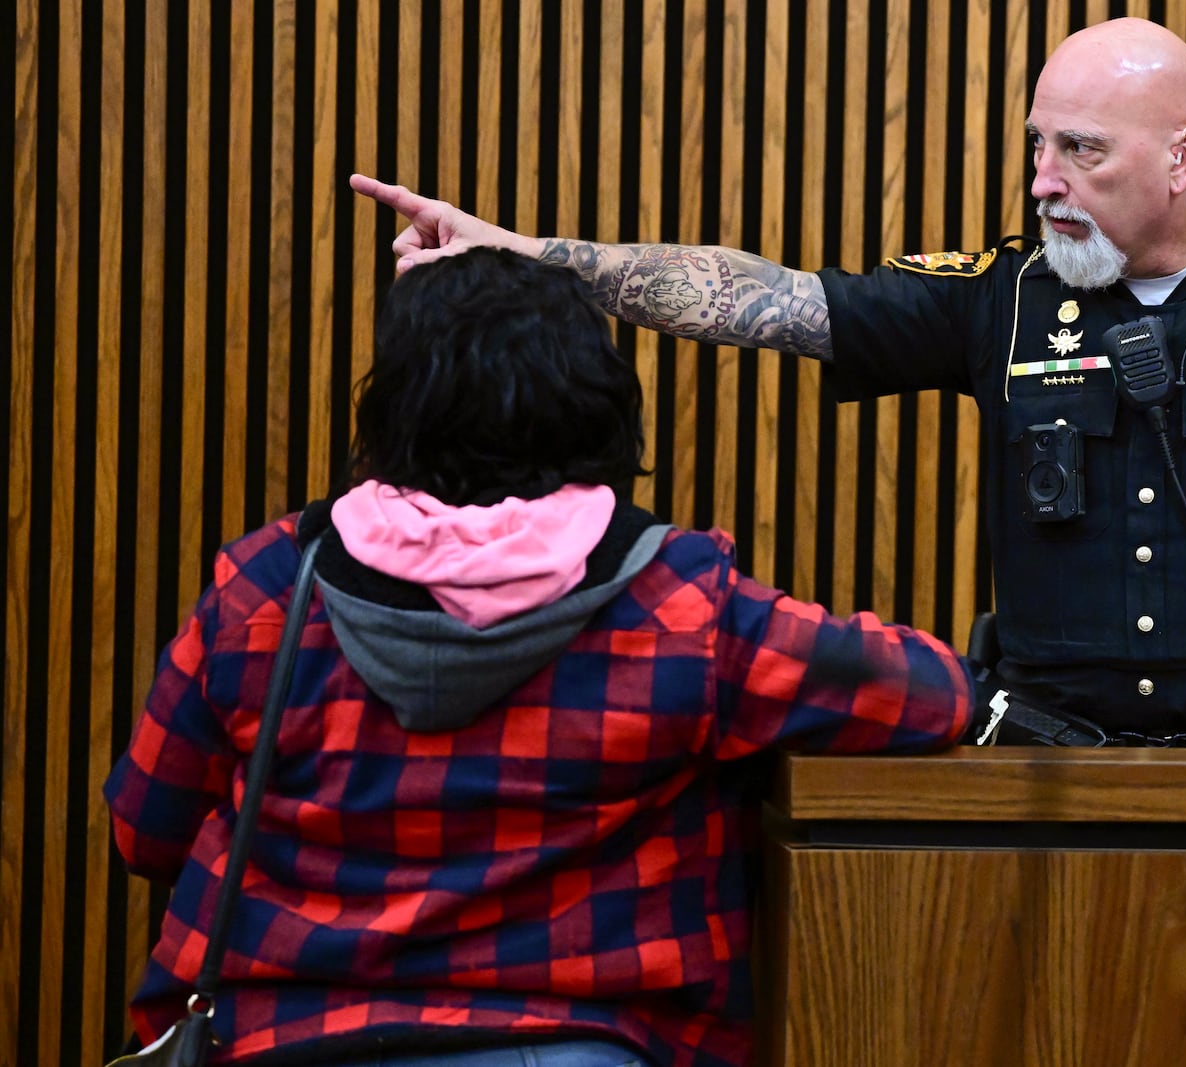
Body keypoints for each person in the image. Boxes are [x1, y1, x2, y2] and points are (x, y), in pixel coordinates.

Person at [348, 16, 1186, 752]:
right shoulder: (997, 296)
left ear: (1183, 159)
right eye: (1036, 144)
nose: (1042, 179)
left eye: (1080, 150)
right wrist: (529, 253)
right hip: (1046, 782)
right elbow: (771, 299)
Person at [103, 247, 973, 1067]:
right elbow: (932, 694)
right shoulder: (676, 604)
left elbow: (144, 831)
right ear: (593, 399)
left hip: (277, 1034)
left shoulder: (266, 586)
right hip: (585, 1038)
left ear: (394, 403)